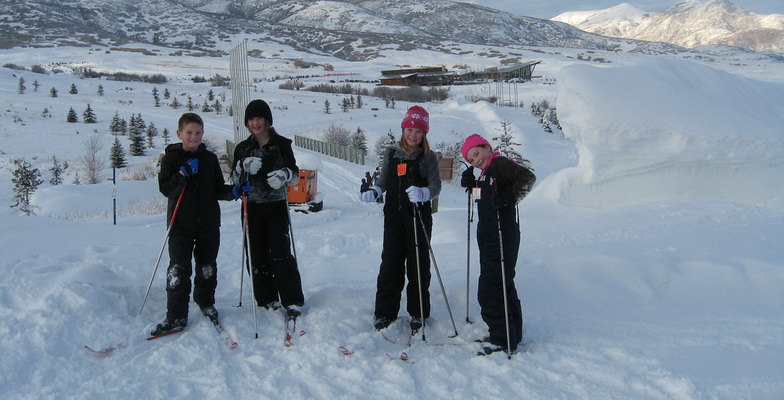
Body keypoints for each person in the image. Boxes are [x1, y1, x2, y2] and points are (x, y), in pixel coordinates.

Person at [153, 112, 242, 336]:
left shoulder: (209, 159)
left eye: (198, 132)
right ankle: (176, 315)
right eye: (189, 132)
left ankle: (205, 302)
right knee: (178, 269)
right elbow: (167, 189)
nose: (194, 137)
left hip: (208, 223)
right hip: (180, 224)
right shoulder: (171, 158)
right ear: (179, 134)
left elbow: (217, 190)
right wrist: (182, 174)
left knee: (207, 266)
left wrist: (234, 191)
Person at [360, 105, 442, 331]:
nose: (413, 135)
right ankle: (385, 312)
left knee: (418, 265)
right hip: (394, 217)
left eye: (418, 131)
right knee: (391, 263)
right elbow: (384, 180)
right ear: (403, 128)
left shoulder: (428, 157)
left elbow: (436, 185)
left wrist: (425, 193)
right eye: (409, 129)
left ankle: (418, 313)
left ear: (424, 134)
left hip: (418, 217)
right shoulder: (391, 152)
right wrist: (375, 191)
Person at [460, 133, 536, 354]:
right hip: (491, 235)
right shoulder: (487, 173)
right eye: (471, 160)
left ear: (487, 147)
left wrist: (508, 198)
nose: (476, 160)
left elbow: (527, 178)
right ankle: (511, 334)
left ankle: (502, 339)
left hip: (501, 235)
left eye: (477, 153)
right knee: (503, 283)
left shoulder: (499, 164)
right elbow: (483, 198)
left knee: (490, 288)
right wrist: (472, 185)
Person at [231, 99, 305, 318]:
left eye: (259, 118)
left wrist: (285, 175)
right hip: (251, 207)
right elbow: (234, 180)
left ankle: (292, 299)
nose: (256, 123)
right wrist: (240, 166)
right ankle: (266, 298)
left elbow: (294, 173)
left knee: (281, 253)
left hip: (275, 206)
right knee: (256, 254)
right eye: (251, 119)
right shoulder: (243, 148)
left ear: (268, 120)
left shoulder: (282, 144)